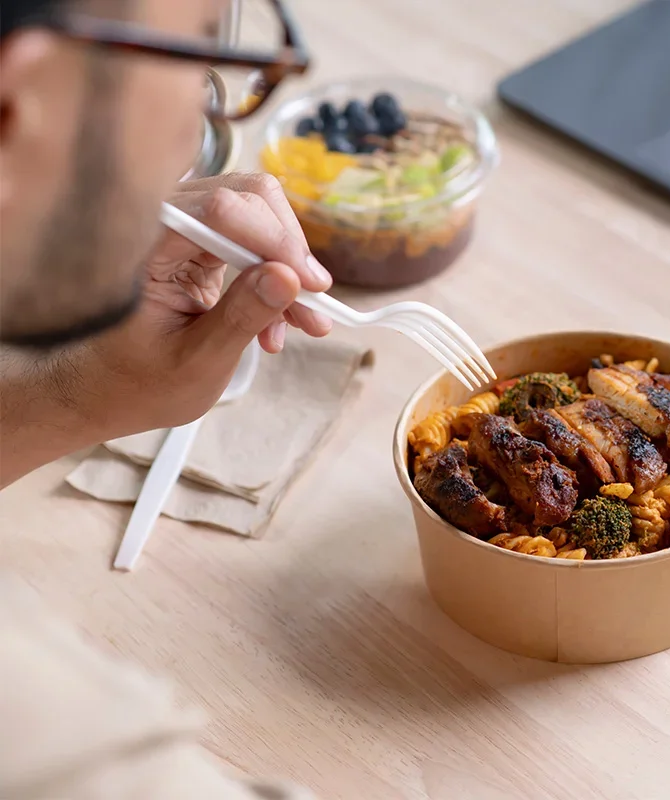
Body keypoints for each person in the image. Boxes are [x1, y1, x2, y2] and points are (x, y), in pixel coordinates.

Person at [1, 0, 325, 796]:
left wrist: (69, 400)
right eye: (195, 62)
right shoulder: (62, 742)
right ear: (22, 99)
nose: (196, 136)